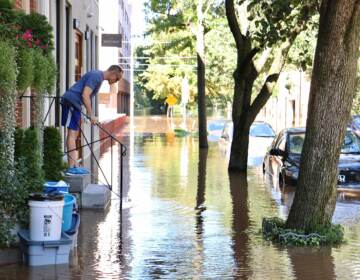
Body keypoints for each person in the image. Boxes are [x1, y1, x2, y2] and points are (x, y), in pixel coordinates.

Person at [61, 65, 123, 168]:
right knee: (71, 134)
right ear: (113, 74)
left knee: (75, 134)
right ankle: (71, 167)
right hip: (70, 102)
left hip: (75, 105)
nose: (116, 81)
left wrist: (86, 115)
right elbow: (85, 95)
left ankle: (74, 164)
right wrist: (91, 115)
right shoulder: (96, 76)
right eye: (117, 79)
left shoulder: (98, 77)